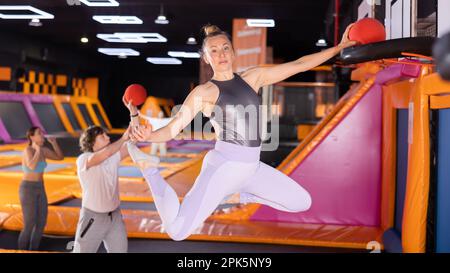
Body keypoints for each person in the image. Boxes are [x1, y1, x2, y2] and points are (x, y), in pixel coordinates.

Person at [125, 24, 357, 241]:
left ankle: (241, 193)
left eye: (225, 48)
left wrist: (339, 48)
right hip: (224, 166)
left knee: (301, 202)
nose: (221, 54)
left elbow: (299, 65)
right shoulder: (203, 93)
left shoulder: (252, 77)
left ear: (233, 53)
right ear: (206, 58)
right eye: (214, 50)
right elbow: (173, 128)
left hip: (251, 168)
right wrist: (149, 136)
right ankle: (151, 170)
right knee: (177, 231)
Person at [72, 125, 157, 253]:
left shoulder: (112, 157)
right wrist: (123, 138)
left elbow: (129, 146)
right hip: (93, 218)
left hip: (114, 217)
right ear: (92, 143)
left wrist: (136, 128)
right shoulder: (84, 159)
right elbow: (107, 153)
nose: (107, 137)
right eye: (102, 136)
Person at [19, 127, 64, 250]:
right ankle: (21, 251)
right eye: (39, 134)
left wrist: (54, 144)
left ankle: (33, 250)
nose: (42, 135)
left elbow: (60, 157)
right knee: (29, 224)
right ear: (32, 137)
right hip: (28, 188)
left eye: (42, 133)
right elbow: (32, 166)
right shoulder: (28, 150)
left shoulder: (43, 150)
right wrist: (38, 150)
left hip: (40, 187)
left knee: (41, 223)